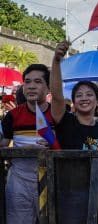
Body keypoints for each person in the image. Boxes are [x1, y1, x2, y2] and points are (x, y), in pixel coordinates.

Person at [51, 41, 98, 223]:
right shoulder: (65, 122)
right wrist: (56, 61)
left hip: (96, 194)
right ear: (73, 101)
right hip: (66, 194)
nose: (84, 98)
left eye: (89, 94)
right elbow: (57, 95)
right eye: (79, 95)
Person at [0, 64, 60, 224]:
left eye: (38, 81)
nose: (31, 86)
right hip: (18, 182)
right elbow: (3, 147)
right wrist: (24, 151)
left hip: (52, 179)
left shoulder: (58, 115)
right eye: (27, 82)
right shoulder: (11, 116)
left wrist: (53, 144)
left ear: (48, 89)